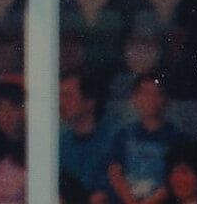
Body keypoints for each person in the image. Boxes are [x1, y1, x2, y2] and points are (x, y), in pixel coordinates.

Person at [109, 74, 188, 204]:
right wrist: (130, 201)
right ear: (135, 98)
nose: (151, 99)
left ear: (166, 99)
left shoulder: (177, 138)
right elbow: (115, 173)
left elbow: (174, 180)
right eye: (145, 93)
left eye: (157, 93)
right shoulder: (124, 135)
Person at [59, 70, 118, 204]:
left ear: (89, 102)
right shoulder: (62, 141)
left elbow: (105, 193)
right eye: (60, 96)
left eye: (68, 96)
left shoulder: (115, 138)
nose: (61, 103)